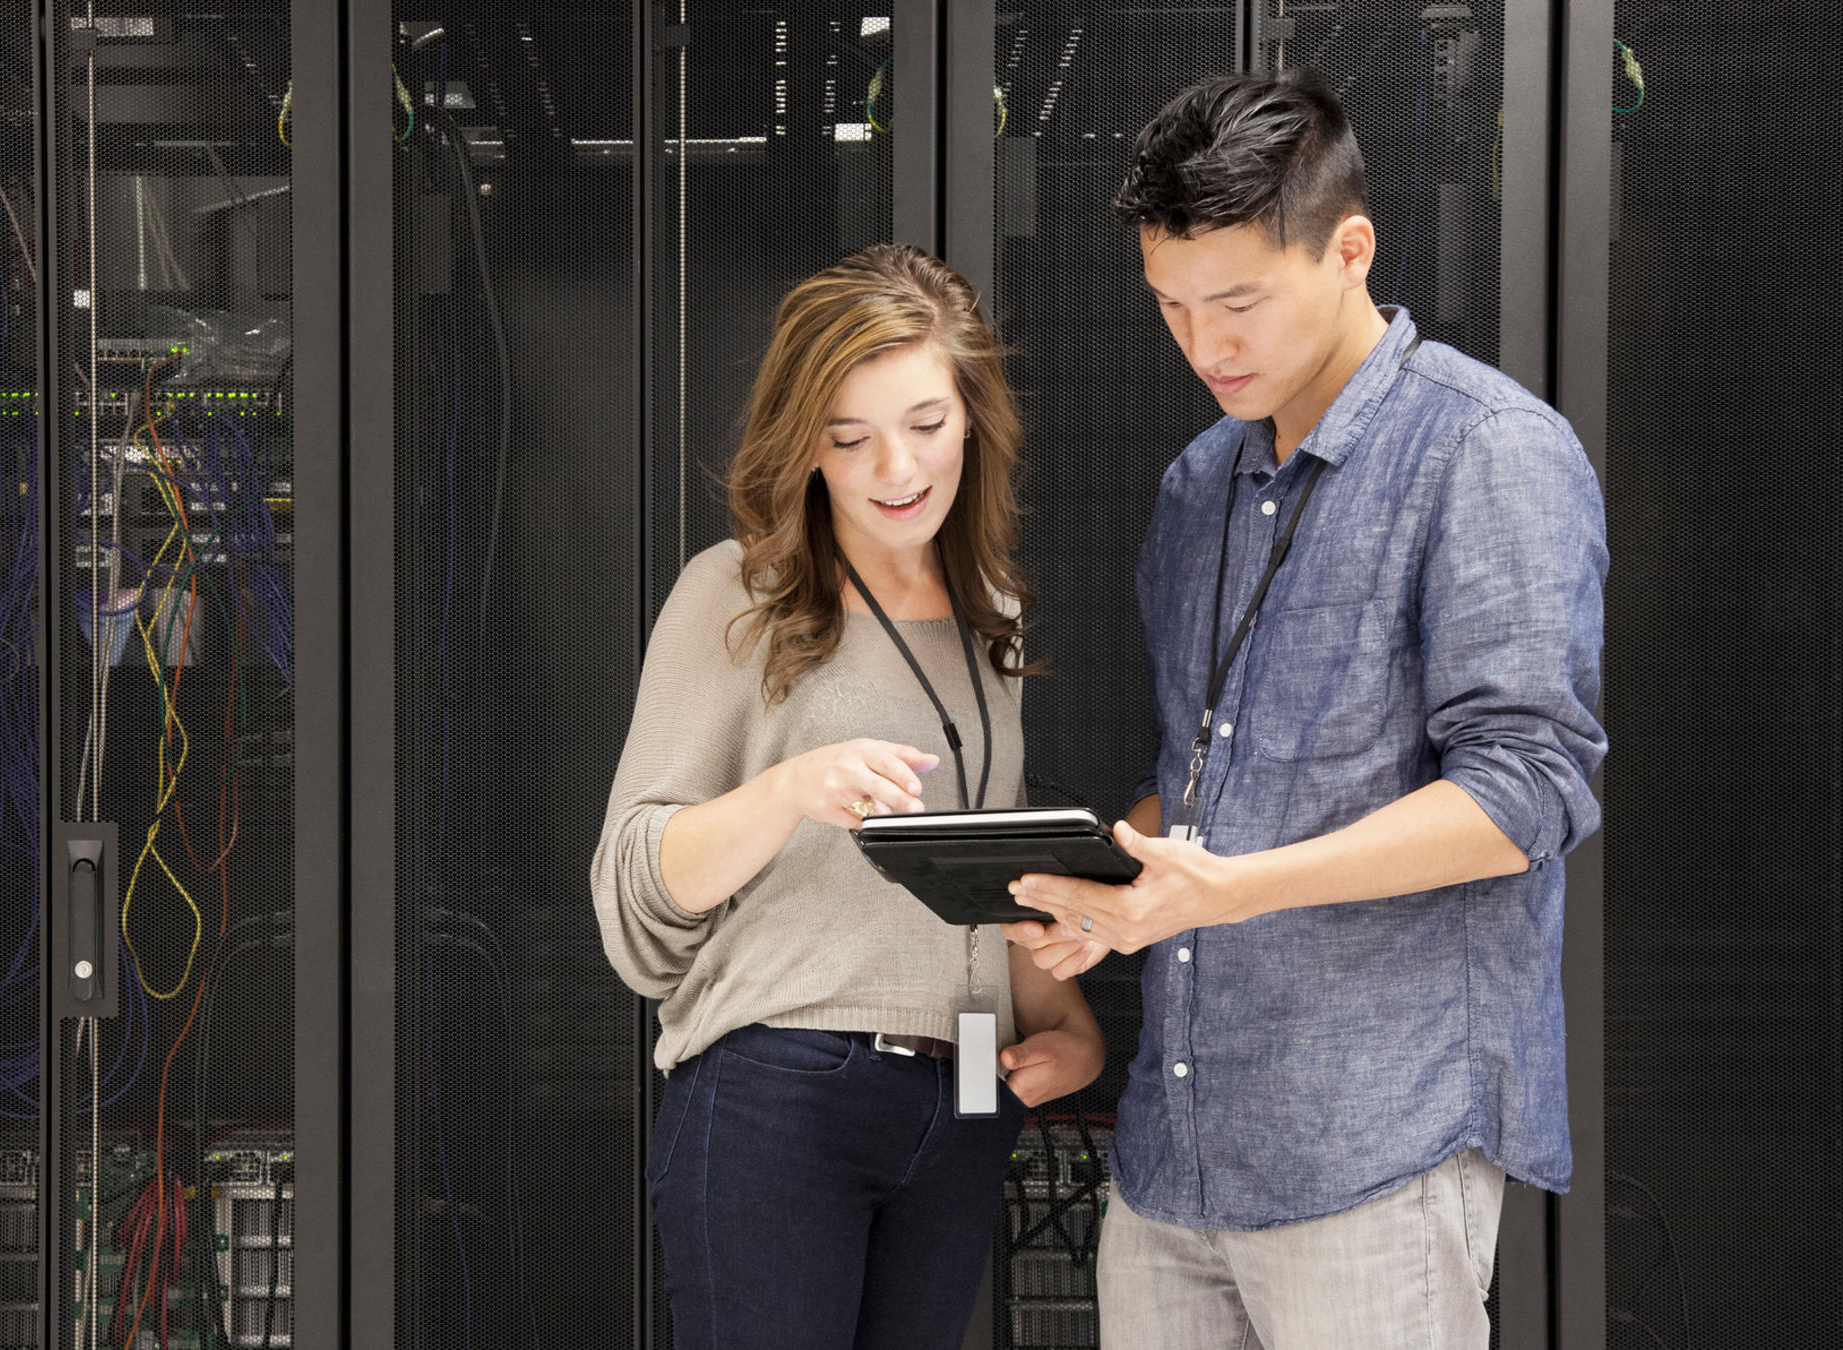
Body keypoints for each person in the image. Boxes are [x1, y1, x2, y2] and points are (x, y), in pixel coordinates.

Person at [999, 69, 1608, 1349]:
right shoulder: (1199, 484)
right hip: (1174, 1158)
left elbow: (1527, 790)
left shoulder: (1486, 450)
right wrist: (1114, 882)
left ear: (1350, 251)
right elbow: (1208, 784)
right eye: (1172, 307)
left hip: (1376, 1145)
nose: (1206, 346)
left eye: (1238, 303)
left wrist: (1232, 889)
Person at [593, 243, 1104, 1350]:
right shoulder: (738, 592)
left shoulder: (991, 611)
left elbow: (980, 884)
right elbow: (632, 888)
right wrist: (790, 790)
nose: (895, 467)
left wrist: (1068, 1031)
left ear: (973, 417)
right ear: (804, 444)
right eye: (848, 436)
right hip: (781, 1089)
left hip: (965, 1101)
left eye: (925, 423)